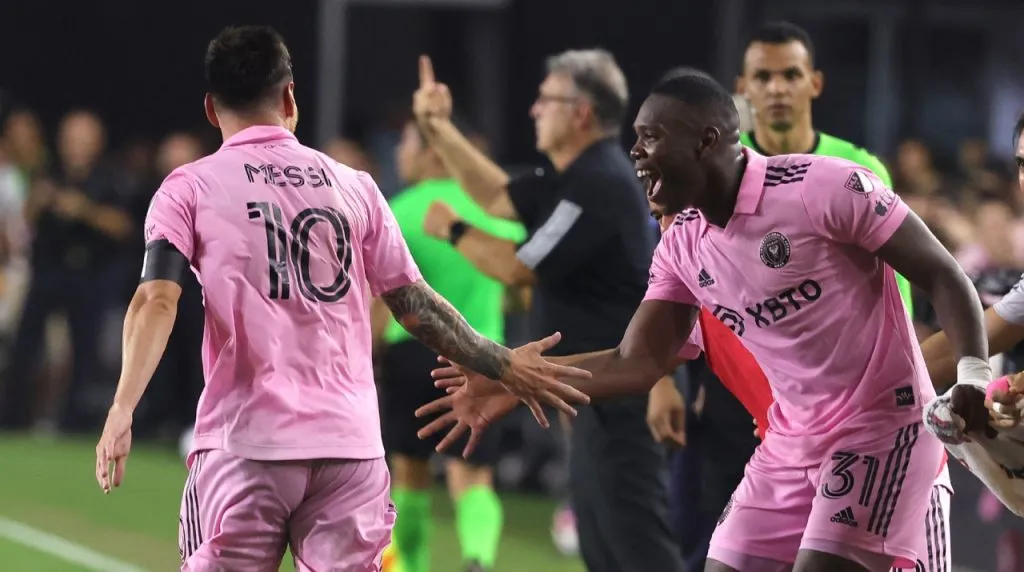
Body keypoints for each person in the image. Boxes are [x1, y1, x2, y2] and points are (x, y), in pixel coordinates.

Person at [420, 73, 989, 572]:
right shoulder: (681, 245)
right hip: (788, 443)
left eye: (652, 137)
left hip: (881, 433)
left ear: (708, 141)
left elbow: (945, 274)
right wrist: (510, 379)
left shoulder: (824, 187)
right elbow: (635, 361)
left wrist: (973, 376)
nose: (637, 153)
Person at [92, 25, 589, 572]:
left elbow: (157, 299)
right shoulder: (355, 187)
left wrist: (122, 406)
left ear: (211, 109)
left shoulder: (188, 187)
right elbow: (414, 306)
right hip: (348, 449)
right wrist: (501, 362)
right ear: (289, 97)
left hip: (247, 445)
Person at [413, 51, 684, 572]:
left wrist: (453, 228)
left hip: (625, 392)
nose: (535, 109)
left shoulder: (598, 181)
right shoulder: (574, 176)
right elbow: (494, 193)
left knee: (638, 548)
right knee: (604, 549)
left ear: (580, 111)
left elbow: (520, 267)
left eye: (547, 99)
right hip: (593, 388)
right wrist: (439, 128)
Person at [375, 118, 526, 572]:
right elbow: (520, 285)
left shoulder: (398, 210)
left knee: (410, 474)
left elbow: (381, 300)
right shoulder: (494, 215)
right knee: (474, 476)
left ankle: (411, 567)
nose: (400, 153)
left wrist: (366, 353)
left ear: (433, 151)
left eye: (405, 143)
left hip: (409, 354)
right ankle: (478, 556)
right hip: (481, 356)